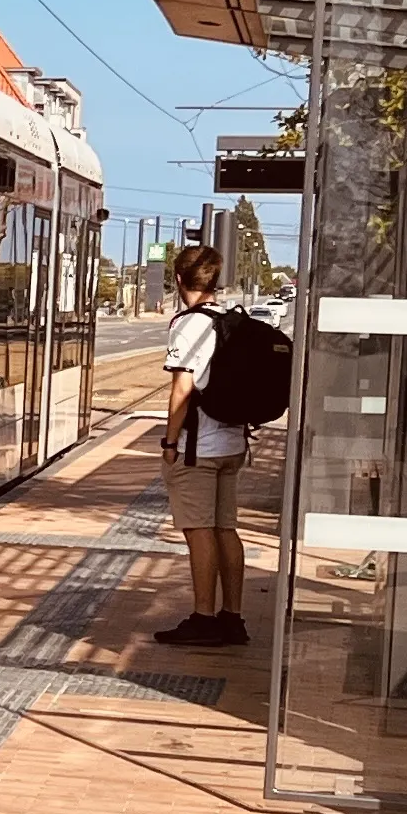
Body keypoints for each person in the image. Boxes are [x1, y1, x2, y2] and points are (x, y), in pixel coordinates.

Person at [153, 241, 250, 645]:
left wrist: (170, 443)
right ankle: (232, 617)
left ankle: (203, 618)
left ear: (179, 280)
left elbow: (181, 390)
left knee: (200, 531)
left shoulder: (189, 324)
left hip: (200, 448)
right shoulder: (230, 319)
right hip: (232, 443)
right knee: (226, 529)